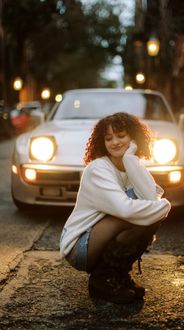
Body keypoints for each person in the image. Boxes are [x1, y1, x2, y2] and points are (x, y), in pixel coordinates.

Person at [60, 112, 171, 304]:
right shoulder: (98, 169)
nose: (115, 142)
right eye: (108, 138)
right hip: (79, 246)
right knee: (132, 217)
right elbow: (126, 210)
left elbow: (150, 198)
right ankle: (102, 280)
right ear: (102, 142)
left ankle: (118, 275)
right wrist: (164, 207)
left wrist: (130, 159)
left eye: (121, 136)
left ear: (133, 138)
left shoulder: (132, 165)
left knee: (147, 219)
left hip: (99, 237)